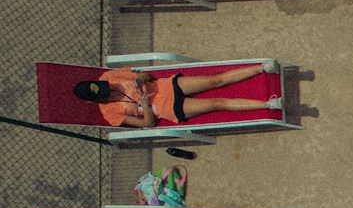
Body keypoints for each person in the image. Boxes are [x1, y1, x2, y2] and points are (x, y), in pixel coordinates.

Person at [73, 63, 280, 129]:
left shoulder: (109, 76)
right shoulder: (110, 114)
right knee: (218, 103)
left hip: (166, 87)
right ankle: (268, 105)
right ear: (95, 101)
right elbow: (148, 125)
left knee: (215, 80)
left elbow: (145, 75)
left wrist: (140, 79)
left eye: (105, 87)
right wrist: (144, 105)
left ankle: (262, 68)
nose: (109, 90)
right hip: (169, 109)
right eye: (104, 94)